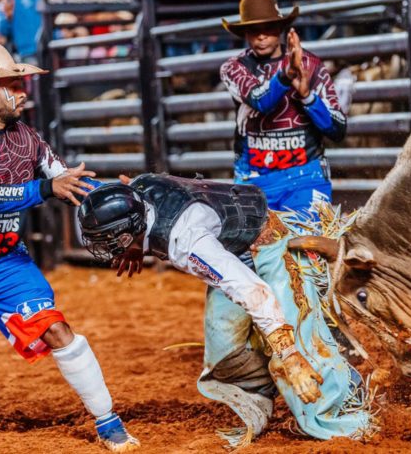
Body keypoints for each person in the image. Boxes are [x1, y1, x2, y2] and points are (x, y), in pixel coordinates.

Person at [0, 43, 139, 453]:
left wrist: (115, 192)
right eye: (13, 84)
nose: (22, 92)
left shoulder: (27, 137)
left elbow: (67, 180)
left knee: (57, 328)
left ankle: (109, 423)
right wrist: (45, 187)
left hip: (4, 262)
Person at [77, 173, 373, 446]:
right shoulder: (138, 190)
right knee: (226, 354)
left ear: (127, 235)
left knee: (299, 349)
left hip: (272, 248)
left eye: (107, 239)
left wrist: (289, 354)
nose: (102, 246)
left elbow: (252, 292)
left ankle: (349, 421)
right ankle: (262, 401)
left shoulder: (187, 242)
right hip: (234, 249)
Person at [220, 0, 346, 215]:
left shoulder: (311, 65)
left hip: (306, 177)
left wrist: (308, 96)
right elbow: (261, 100)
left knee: (304, 241)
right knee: (252, 247)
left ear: (279, 28)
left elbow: (337, 128)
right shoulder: (234, 67)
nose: (261, 36)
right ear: (245, 34)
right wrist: (286, 76)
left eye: (268, 28)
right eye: (253, 30)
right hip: (253, 180)